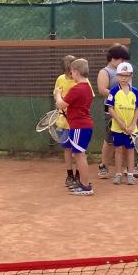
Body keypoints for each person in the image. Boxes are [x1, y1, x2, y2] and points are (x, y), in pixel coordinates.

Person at [55, 58, 95, 196]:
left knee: (79, 156)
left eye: (72, 72)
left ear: (76, 72)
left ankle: (85, 186)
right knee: (79, 155)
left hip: (79, 126)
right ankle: (83, 184)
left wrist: (58, 94)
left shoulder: (77, 88)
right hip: (84, 125)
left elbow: (60, 104)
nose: (70, 75)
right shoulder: (87, 88)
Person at [95, 43, 131, 179]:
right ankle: (104, 166)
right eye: (122, 60)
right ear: (114, 59)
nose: (124, 62)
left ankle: (130, 167)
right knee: (110, 140)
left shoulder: (126, 71)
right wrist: (120, 97)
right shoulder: (105, 72)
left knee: (128, 138)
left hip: (128, 111)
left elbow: (130, 89)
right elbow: (102, 90)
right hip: (111, 110)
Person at [106, 61, 138, 185]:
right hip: (117, 128)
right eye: (121, 75)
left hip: (131, 129)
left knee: (130, 150)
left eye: (126, 75)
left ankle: (130, 174)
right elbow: (110, 109)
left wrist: (132, 125)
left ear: (131, 76)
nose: (123, 78)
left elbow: (137, 109)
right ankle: (118, 174)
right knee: (118, 150)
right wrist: (121, 124)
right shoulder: (113, 91)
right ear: (117, 76)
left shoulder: (135, 92)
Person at [53, 54, 81, 189]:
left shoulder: (80, 82)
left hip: (77, 123)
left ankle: (79, 175)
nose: (70, 75)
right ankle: (70, 175)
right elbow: (56, 94)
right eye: (67, 72)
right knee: (68, 150)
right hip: (63, 123)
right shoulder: (60, 79)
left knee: (79, 152)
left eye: (72, 72)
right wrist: (61, 104)